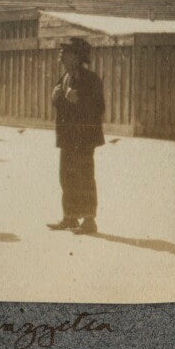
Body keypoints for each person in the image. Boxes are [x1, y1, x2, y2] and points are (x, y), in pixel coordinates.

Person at [47, 37, 105, 235]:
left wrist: (79, 99)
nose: (61, 54)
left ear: (77, 57)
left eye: (66, 51)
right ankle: (70, 217)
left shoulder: (91, 79)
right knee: (66, 176)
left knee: (84, 177)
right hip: (68, 137)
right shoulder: (65, 76)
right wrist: (57, 98)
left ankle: (89, 221)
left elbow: (99, 107)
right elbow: (63, 103)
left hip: (84, 138)